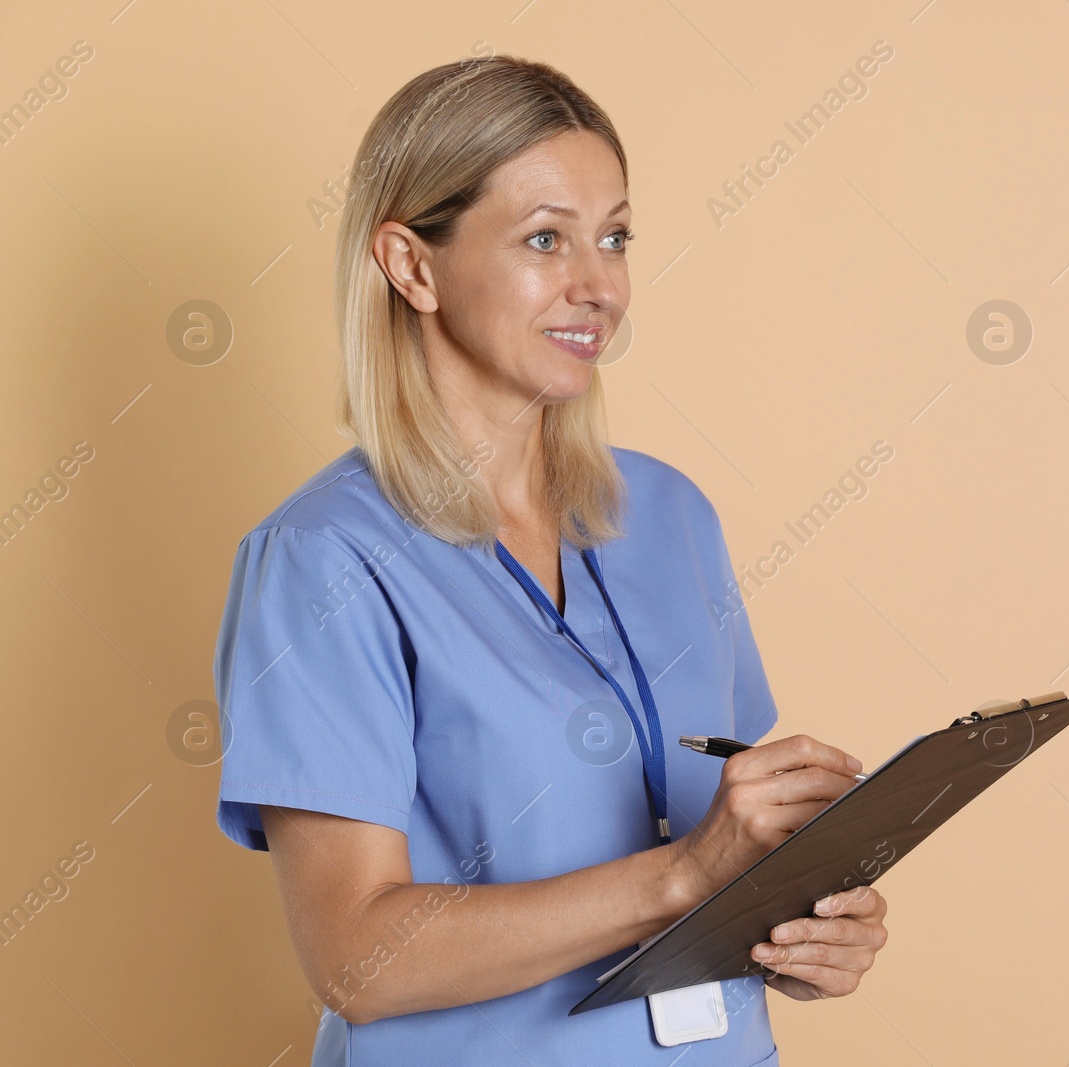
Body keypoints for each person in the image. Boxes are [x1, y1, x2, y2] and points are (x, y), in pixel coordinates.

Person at [212, 54, 888, 1066]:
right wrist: (682, 876)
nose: (598, 286)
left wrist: (803, 924)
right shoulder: (322, 558)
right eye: (545, 239)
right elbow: (356, 957)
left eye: (614, 237)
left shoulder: (668, 514)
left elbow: (726, 840)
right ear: (411, 265)